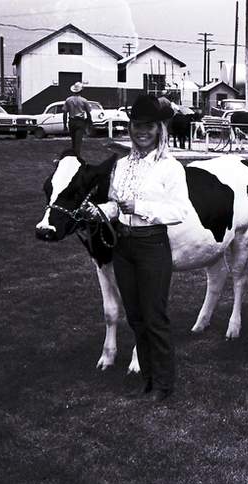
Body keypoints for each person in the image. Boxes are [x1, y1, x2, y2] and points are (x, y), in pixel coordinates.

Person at [86, 94, 188, 403]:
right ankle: (147, 379)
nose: (142, 132)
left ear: (159, 129)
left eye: (148, 127)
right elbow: (117, 205)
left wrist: (141, 207)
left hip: (151, 245)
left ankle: (163, 385)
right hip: (123, 246)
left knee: (154, 317)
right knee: (136, 318)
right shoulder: (121, 165)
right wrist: (101, 211)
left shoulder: (170, 167)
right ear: (130, 128)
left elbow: (179, 211)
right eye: (136, 126)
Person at [63, 82, 92, 155]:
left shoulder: (68, 100)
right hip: (80, 122)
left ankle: (73, 155)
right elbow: (88, 113)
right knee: (78, 141)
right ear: (81, 91)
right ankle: (77, 156)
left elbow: (65, 113)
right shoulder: (84, 100)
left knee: (73, 141)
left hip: (71, 121)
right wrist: (90, 123)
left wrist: (64, 125)